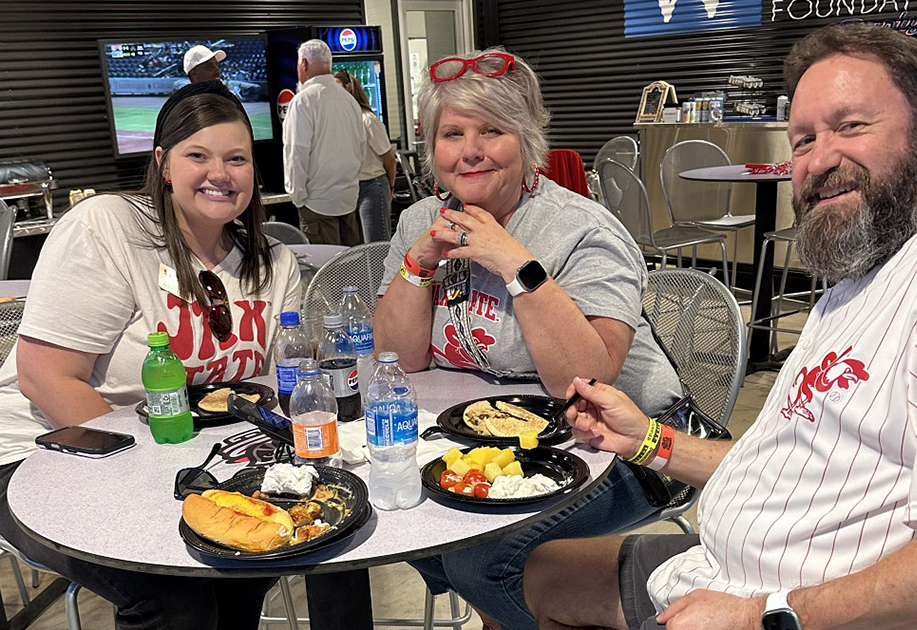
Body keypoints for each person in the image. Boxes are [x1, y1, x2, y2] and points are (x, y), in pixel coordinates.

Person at [523, 24, 917, 630]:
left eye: (851, 126)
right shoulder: (870, 263)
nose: (818, 160)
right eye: (802, 140)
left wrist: (761, 617)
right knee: (545, 571)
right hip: (730, 569)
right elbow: (793, 462)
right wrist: (647, 441)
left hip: (789, 605)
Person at [372, 48, 685, 630]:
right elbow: (399, 359)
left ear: (527, 139)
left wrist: (517, 264)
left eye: (492, 130)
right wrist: (418, 263)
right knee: (410, 513)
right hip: (489, 443)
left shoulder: (582, 228)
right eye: (452, 132)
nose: (470, 149)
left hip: (626, 446)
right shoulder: (421, 221)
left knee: (481, 560)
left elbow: (588, 376)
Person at [0, 80, 303, 629]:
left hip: (192, 467)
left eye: (237, 158)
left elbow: (271, 386)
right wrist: (153, 475)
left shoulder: (272, 264)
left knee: (249, 560)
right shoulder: (109, 227)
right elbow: (45, 378)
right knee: (174, 594)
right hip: (44, 460)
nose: (220, 173)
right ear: (163, 164)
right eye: (197, 155)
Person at [282, 39, 365, 245]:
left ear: (304, 64)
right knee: (351, 269)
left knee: (324, 273)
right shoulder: (350, 101)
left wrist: (298, 197)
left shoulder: (303, 101)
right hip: (347, 200)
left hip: (316, 204)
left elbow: (296, 153)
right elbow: (360, 149)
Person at [334, 69, 396, 242]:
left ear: (349, 89)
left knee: (376, 243)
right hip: (350, 186)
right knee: (359, 246)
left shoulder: (367, 120)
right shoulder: (339, 121)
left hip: (372, 185)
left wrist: (390, 187)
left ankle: (393, 271)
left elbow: (388, 158)